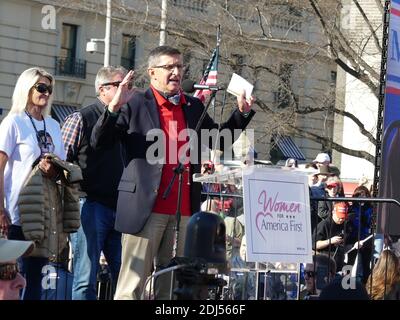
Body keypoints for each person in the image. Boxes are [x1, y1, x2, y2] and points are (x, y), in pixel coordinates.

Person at [90, 45, 255, 300]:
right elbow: (100, 141)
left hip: (184, 210)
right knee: (131, 288)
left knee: (172, 289)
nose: (176, 72)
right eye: (169, 67)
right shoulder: (134, 103)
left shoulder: (192, 106)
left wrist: (241, 114)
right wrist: (113, 108)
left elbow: (219, 141)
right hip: (146, 209)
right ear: (152, 72)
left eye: (179, 66)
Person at [0, 67, 79, 300]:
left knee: (34, 281)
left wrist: (54, 169)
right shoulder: (13, 122)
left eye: (49, 88)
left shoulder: (54, 125)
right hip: (15, 213)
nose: (46, 93)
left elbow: (62, 170)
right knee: (10, 279)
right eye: (41, 87)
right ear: (27, 89)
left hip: (44, 214)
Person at [61, 66, 126, 300]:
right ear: (102, 89)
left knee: (125, 279)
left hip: (119, 208)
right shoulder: (81, 117)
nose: (125, 90)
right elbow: (61, 162)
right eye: (119, 85)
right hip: (89, 206)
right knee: (85, 279)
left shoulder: (125, 119)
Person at [313, 202, 350, 273]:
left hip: (339, 263)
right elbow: (314, 245)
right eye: (339, 217)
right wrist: (330, 241)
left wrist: (354, 245)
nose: (341, 219)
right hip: (324, 263)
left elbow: (347, 245)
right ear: (333, 212)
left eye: (343, 217)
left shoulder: (346, 225)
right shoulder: (323, 225)